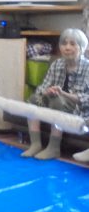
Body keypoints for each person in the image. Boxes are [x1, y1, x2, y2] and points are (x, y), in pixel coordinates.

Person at [21, 28, 89, 160]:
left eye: (72, 44)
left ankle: (53, 147)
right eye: (64, 44)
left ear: (82, 47)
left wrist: (63, 94)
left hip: (79, 108)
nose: (67, 48)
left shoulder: (87, 67)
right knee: (34, 100)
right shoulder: (57, 64)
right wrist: (46, 91)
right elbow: (42, 87)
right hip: (55, 100)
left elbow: (87, 99)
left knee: (57, 101)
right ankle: (36, 144)